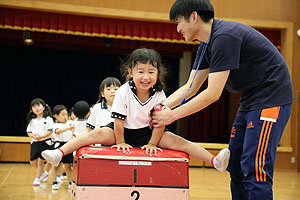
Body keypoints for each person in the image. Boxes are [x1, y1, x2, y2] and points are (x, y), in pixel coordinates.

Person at [151, 1, 294, 199]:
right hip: (251, 100)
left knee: (255, 168)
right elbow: (191, 87)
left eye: (178, 22)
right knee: (234, 164)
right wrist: (157, 107)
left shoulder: (225, 37)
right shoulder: (206, 43)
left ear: (194, 17)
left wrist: (171, 116)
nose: (178, 29)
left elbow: (212, 94)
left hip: (272, 99)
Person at [42, 48, 230, 174]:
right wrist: (121, 141)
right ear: (131, 72)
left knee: (180, 142)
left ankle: (215, 161)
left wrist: (153, 144)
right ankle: (59, 153)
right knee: (96, 134)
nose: (146, 77)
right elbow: (118, 121)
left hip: (148, 132)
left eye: (151, 72)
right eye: (141, 71)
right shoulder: (123, 91)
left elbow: (159, 122)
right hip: (121, 131)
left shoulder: (159, 93)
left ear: (158, 74)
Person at [26, 98, 53, 186]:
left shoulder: (48, 119)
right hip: (35, 143)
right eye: (34, 107)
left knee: (40, 161)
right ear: (31, 110)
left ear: (44, 107)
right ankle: (43, 173)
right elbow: (29, 132)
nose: (36, 108)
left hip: (45, 142)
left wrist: (41, 137)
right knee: (33, 162)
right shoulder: (32, 121)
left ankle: (37, 179)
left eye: (38, 105)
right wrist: (33, 136)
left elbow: (50, 131)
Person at [51, 104, 74, 190]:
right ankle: (54, 182)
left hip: (68, 145)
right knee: (55, 166)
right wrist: (68, 128)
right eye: (63, 115)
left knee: (68, 166)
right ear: (56, 116)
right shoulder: (55, 125)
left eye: (66, 114)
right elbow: (57, 131)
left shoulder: (70, 123)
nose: (65, 117)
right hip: (58, 146)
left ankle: (70, 182)